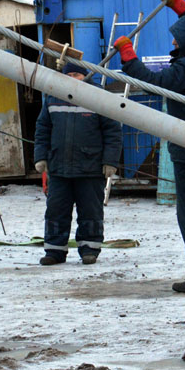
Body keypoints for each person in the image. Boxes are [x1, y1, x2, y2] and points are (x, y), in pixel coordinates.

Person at [112, 0, 185, 293]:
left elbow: (152, 82)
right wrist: (182, 8)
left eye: (177, 41)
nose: (174, 44)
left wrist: (128, 56)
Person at [34, 61, 122, 266]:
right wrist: (40, 156)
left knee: (90, 211)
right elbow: (42, 129)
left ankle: (89, 249)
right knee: (56, 210)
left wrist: (110, 161)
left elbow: (113, 133)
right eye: (69, 74)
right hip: (59, 167)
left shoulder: (98, 98)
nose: (73, 78)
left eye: (77, 74)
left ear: (86, 76)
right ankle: (54, 251)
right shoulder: (53, 97)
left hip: (90, 168)